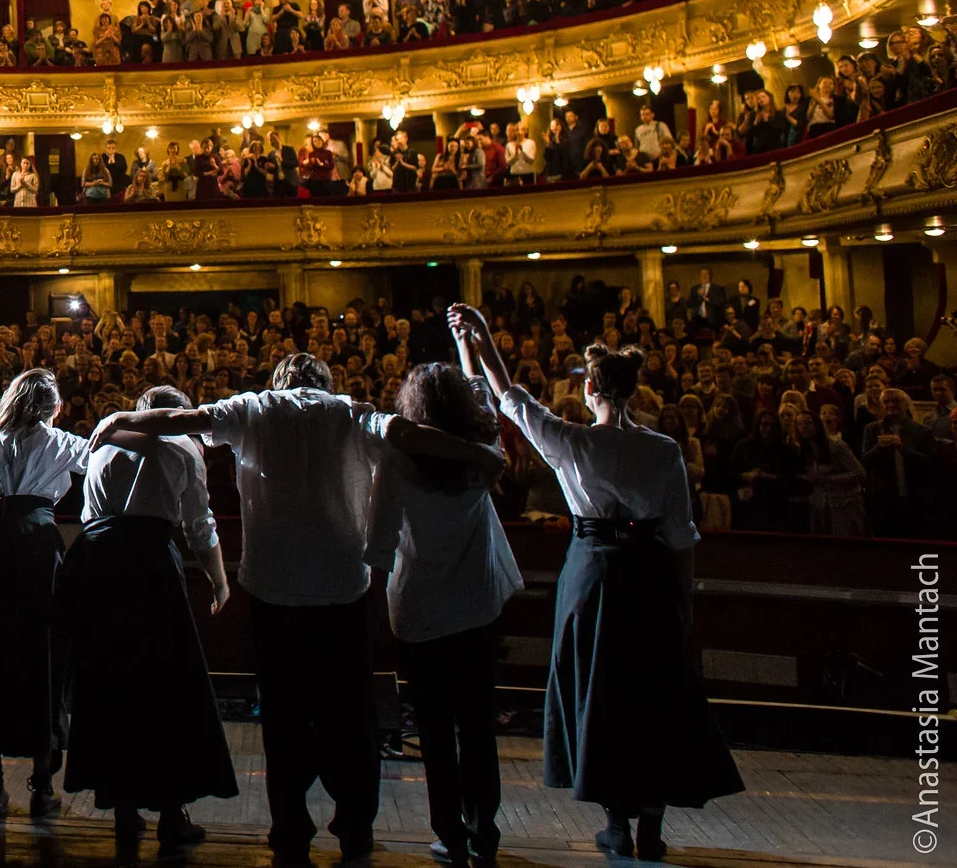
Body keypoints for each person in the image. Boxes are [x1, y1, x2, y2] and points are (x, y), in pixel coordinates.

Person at [88, 351, 492, 866]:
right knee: (350, 718)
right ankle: (355, 831)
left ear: (280, 382)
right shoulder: (351, 411)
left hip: (274, 590)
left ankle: (290, 829)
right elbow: (409, 436)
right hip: (341, 588)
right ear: (326, 382)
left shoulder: (256, 408)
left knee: (283, 718)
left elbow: (182, 419)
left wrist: (122, 417)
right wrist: (477, 453)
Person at [448, 304, 743, 859]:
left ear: (590, 391)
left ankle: (617, 823)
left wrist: (483, 338)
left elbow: (509, 396)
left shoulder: (574, 444)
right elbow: (681, 536)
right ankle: (651, 824)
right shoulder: (664, 449)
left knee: (599, 692)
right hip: (651, 574)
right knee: (653, 693)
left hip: (594, 572)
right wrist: (684, 606)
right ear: (635, 392)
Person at [58, 386, 234, 848]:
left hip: (100, 563)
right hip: (151, 566)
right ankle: (172, 814)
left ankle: (123, 809)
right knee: (164, 687)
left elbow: (90, 514)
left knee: (112, 682)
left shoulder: (102, 444)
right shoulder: (183, 447)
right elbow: (200, 524)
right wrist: (219, 579)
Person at [366, 365, 520, 868]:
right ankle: (484, 828)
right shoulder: (481, 459)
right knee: (476, 723)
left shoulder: (397, 458)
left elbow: (382, 539)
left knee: (433, 726)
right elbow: (494, 454)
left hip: (419, 606)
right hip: (475, 603)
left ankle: (449, 832)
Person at [0, 368, 86, 818]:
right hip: (33, 544)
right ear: (54, 407)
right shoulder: (60, 442)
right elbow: (99, 458)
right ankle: (42, 785)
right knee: (40, 653)